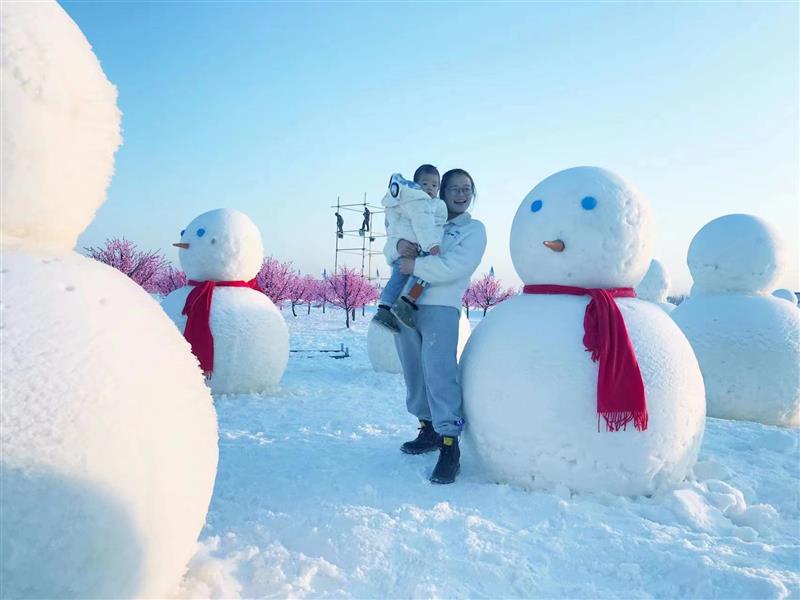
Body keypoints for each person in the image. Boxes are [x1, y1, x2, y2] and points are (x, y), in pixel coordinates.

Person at [393, 168, 486, 484]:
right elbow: (395, 245)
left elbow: (454, 267)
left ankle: (450, 445)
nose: (461, 194)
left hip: (440, 307)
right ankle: (428, 428)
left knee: (439, 372)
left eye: (467, 188)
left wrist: (415, 264)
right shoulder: (426, 217)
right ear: (442, 192)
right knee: (414, 371)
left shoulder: (473, 230)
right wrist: (398, 249)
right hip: (406, 304)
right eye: (454, 188)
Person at [373, 164, 446, 333]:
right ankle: (406, 303)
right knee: (423, 276)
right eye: (425, 184)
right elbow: (423, 226)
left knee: (398, 278)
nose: (430, 188)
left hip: (408, 248)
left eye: (434, 185)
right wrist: (432, 245)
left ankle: (384, 308)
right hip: (419, 247)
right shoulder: (421, 202)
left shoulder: (405, 201)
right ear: (415, 185)